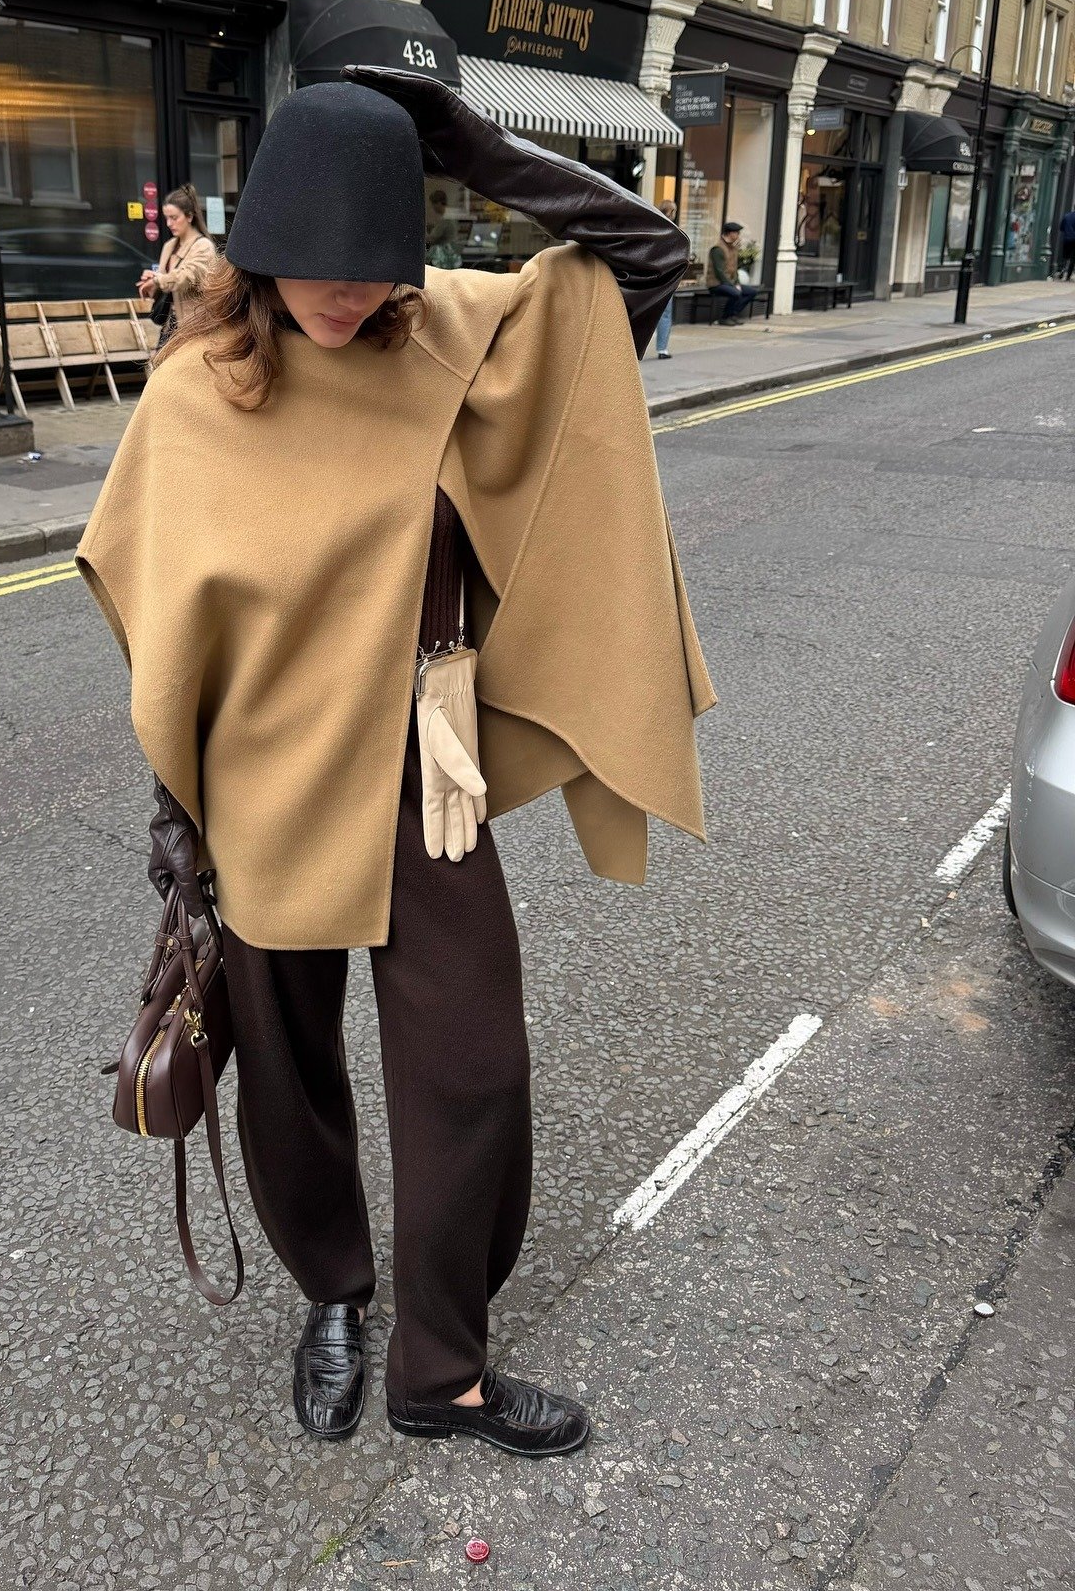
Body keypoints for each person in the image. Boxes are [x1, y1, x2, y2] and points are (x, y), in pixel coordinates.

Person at [76, 71, 713, 1460]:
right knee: (290, 1072)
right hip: (264, 782)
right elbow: (160, 620)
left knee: (473, 1054)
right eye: (319, 267)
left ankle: (443, 1365)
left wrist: (473, 149)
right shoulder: (198, 395)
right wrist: (182, 822)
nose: (347, 299)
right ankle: (336, 1298)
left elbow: (654, 259)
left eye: (375, 269)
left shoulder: (448, 337)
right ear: (263, 244)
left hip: (429, 758)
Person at [137, 184, 217, 348]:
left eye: (174, 218)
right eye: (167, 218)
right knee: (159, 369)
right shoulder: (169, 246)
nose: (168, 223)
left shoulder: (203, 246)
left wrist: (159, 280)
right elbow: (165, 287)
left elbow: (185, 277)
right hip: (169, 324)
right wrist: (151, 281)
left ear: (189, 216)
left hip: (194, 327)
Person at [708, 218, 757, 324]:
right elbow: (719, 272)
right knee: (736, 293)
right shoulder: (717, 249)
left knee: (751, 292)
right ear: (730, 233)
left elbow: (734, 270)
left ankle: (732, 314)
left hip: (729, 283)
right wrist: (732, 285)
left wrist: (737, 283)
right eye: (737, 233)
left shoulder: (733, 248)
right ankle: (725, 318)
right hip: (716, 283)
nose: (739, 236)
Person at [654, 199, 679, 357]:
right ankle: (662, 349)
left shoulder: (652, 227)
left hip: (650, 275)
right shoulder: (673, 231)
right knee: (665, 313)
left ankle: (632, 350)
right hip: (667, 276)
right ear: (671, 212)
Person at [1058, 203, 1075, 280]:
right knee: (1073, 259)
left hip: (1067, 239)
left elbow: (1061, 228)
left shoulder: (1067, 216)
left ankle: (1061, 270)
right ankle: (1068, 276)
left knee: (1065, 257)